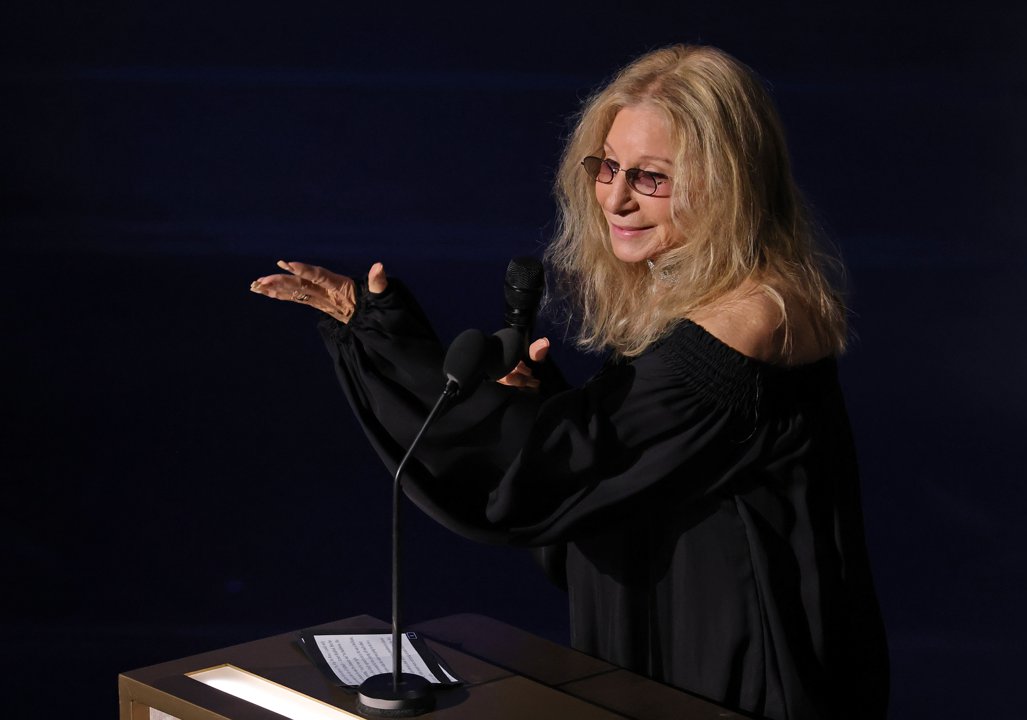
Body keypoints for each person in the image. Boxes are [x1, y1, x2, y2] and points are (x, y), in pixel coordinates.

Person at [250, 45, 889, 720]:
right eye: (607, 167)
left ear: (725, 181)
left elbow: (565, 470)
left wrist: (383, 339)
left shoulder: (749, 318)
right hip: (688, 653)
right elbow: (627, 474)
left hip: (744, 680)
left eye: (651, 178)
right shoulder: (713, 297)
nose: (614, 197)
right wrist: (542, 402)